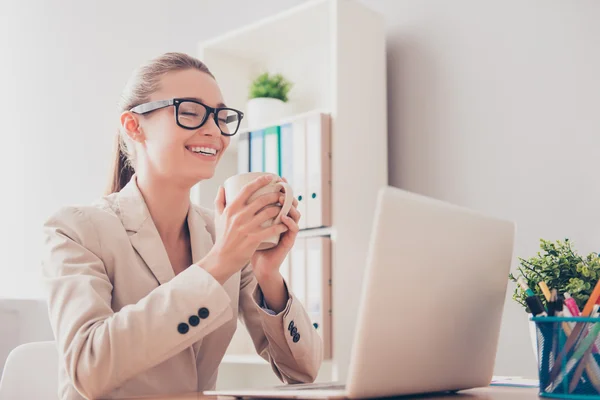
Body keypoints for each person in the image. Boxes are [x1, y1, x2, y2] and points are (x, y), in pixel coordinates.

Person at [42, 52, 322, 400]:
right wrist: (219, 263)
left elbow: (303, 372)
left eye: (221, 117)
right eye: (190, 112)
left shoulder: (221, 235)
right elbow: (89, 368)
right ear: (134, 125)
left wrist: (268, 274)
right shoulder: (74, 230)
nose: (214, 131)